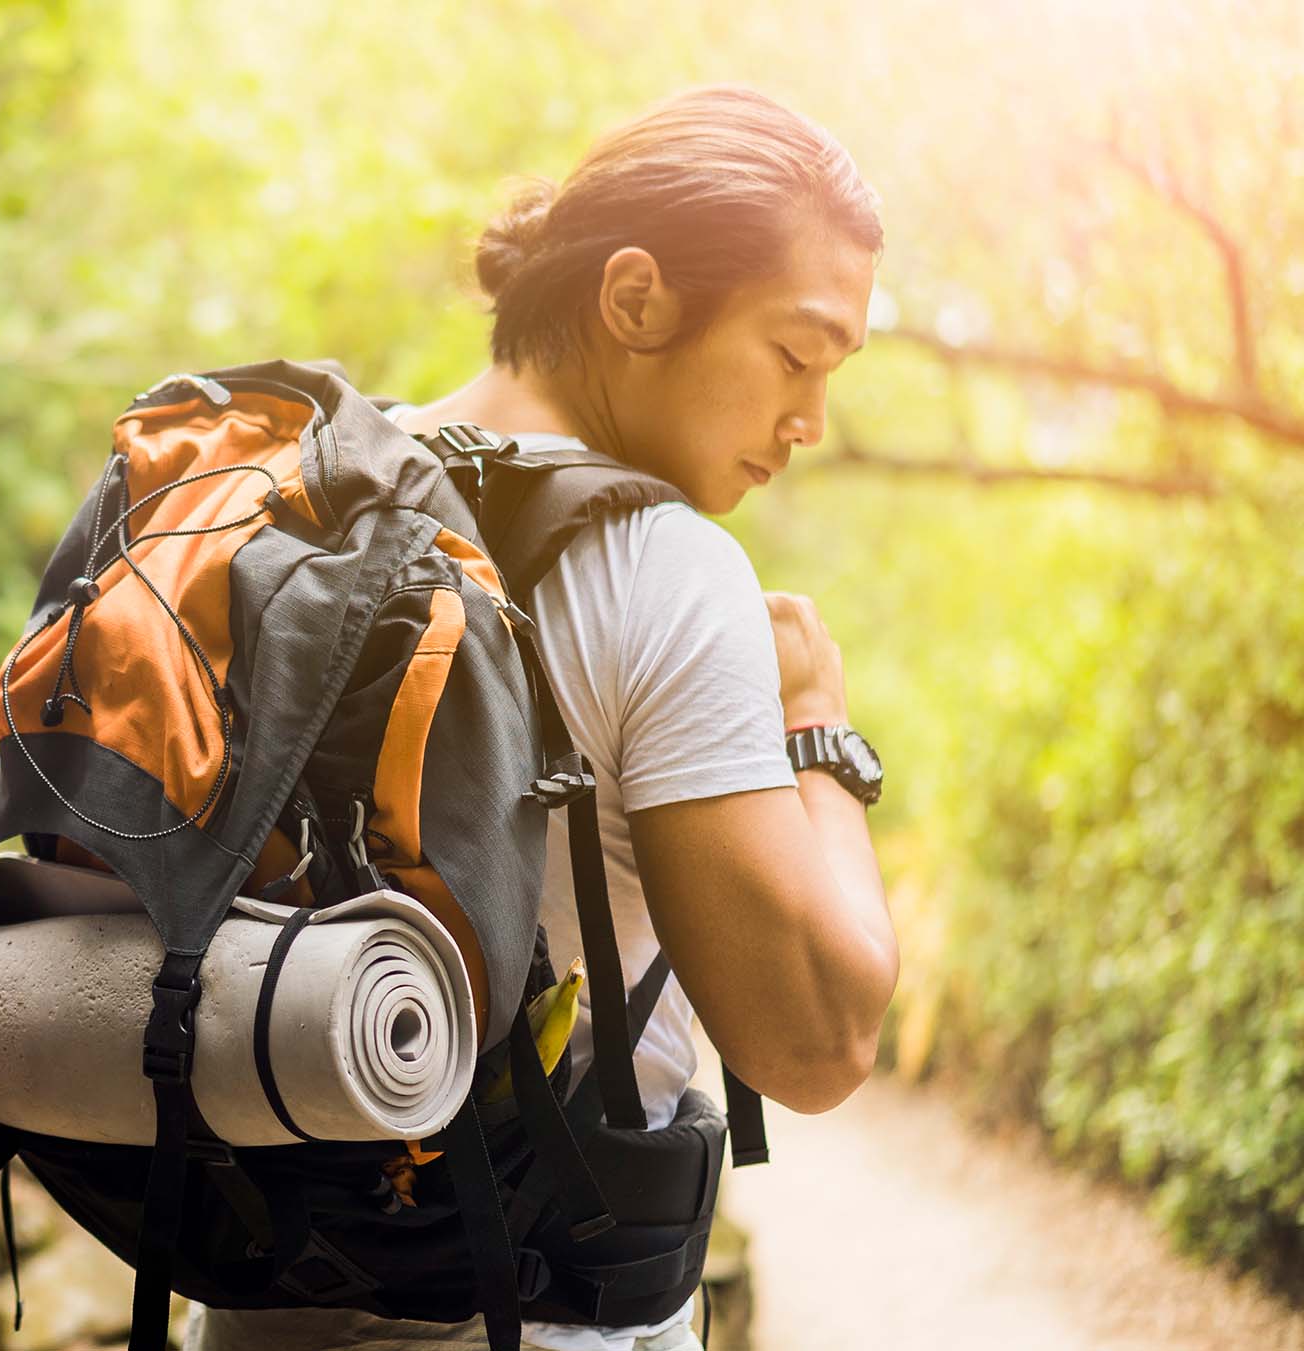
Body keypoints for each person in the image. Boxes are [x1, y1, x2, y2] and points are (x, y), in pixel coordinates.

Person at [186, 86, 901, 1351]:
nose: (811, 423)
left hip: (261, 1300)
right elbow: (818, 1037)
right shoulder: (664, 568)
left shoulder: (300, 509)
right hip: (540, 1317)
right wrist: (816, 732)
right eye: (797, 355)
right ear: (635, 301)